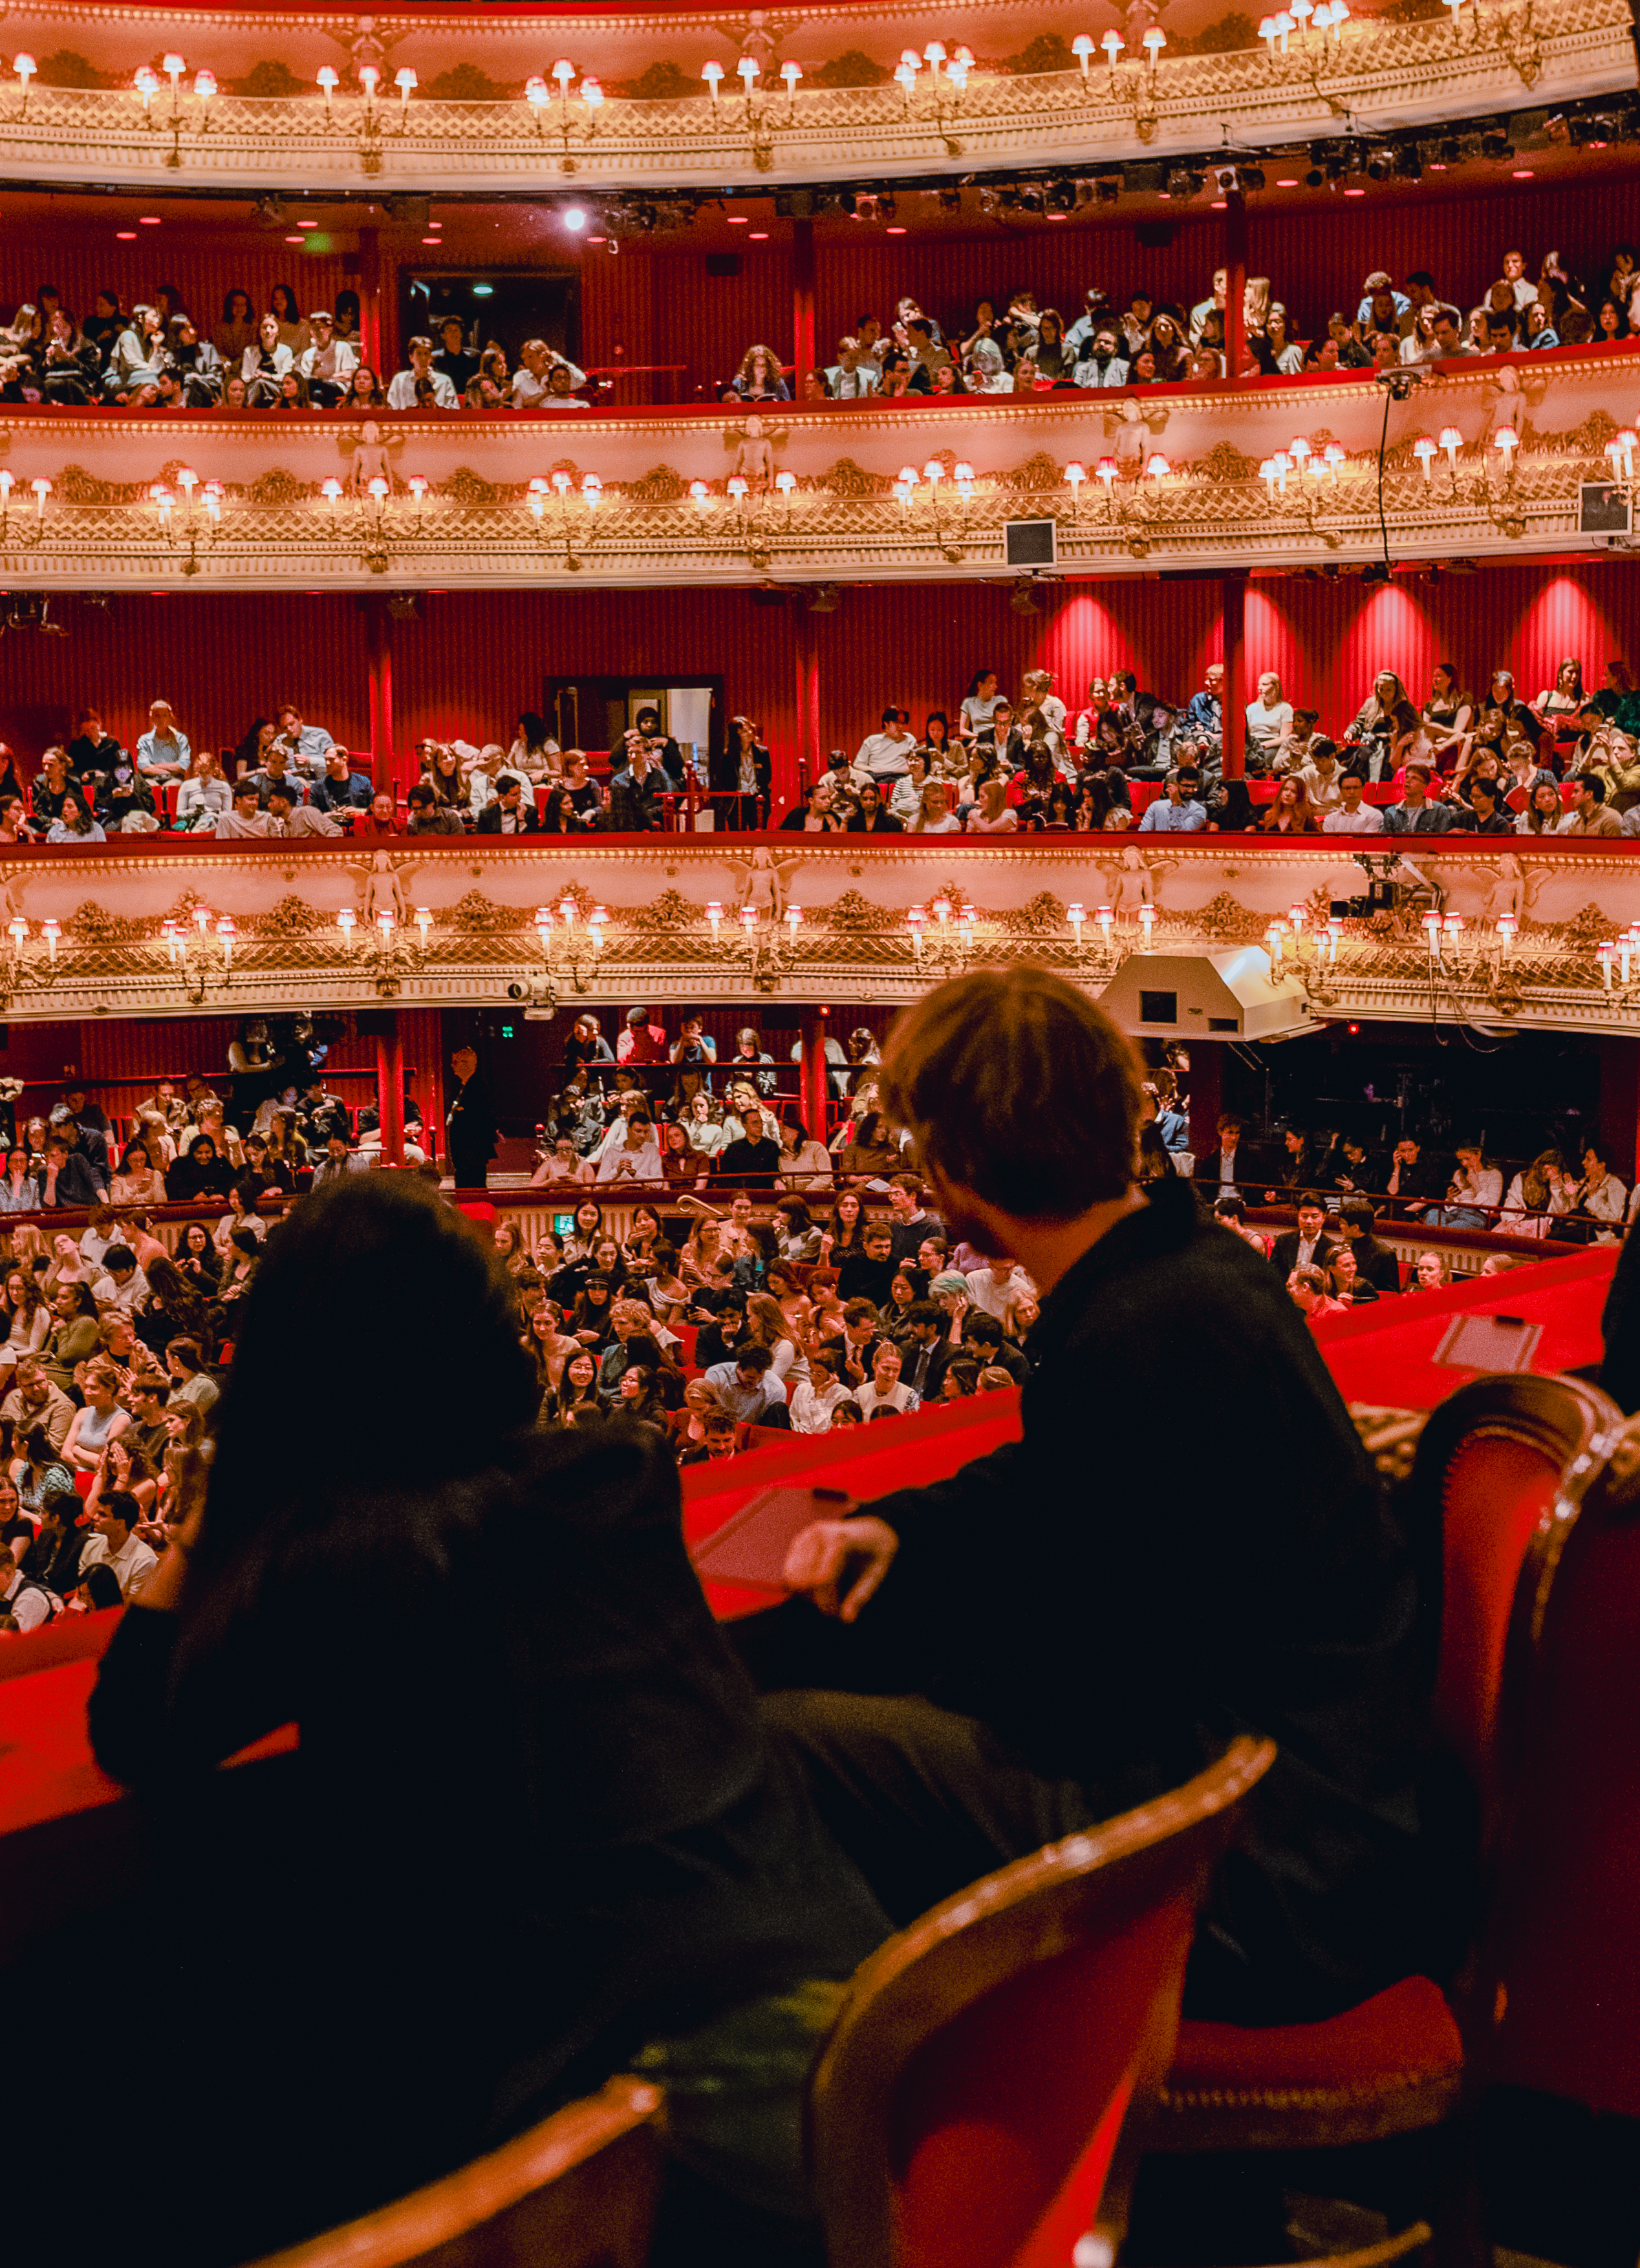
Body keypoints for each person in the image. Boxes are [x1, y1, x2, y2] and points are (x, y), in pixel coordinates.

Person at [85, 1177, 887, 2265]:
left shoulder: (346, 1555)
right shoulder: (617, 1470)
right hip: (876, 2032)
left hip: (681, 2136)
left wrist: (207, 1513)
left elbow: (135, 1725)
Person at [754, 965, 1441, 2026]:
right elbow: (1057, 1485)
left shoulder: (1136, 1335)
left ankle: (906, 2106)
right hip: (1325, 1804)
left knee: (788, 1740)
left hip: (1254, 1867)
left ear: (958, 1165)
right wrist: (903, 1527)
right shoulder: (1186, 1264)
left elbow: (1069, 1686)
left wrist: (909, 1620)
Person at [444, 1042, 498, 1190]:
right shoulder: (464, 1086)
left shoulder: (478, 1086)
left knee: (473, 1190)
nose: (452, 1065)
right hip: (465, 1154)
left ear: (468, 1063)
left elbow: (480, 1119)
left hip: (472, 1153)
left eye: (456, 1062)